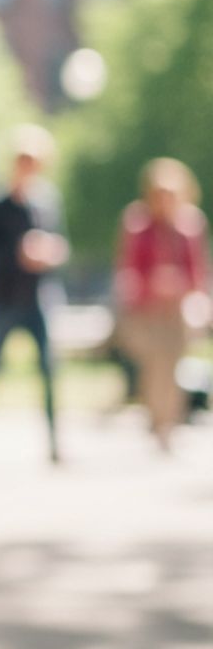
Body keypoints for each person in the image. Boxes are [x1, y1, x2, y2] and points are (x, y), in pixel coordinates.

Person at [0, 124, 67, 468]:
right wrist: (17, 252)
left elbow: (59, 243)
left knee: (49, 370)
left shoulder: (48, 200)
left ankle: (55, 444)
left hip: (38, 296)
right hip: (4, 297)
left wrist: (49, 253)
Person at [113, 158, 209, 453]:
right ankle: (157, 420)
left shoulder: (189, 225)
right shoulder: (138, 223)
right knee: (155, 366)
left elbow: (198, 271)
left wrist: (185, 288)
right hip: (147, 309)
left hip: (176, 308)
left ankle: (169, 422)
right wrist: (151, 284)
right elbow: (128, 267)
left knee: (174, 365)